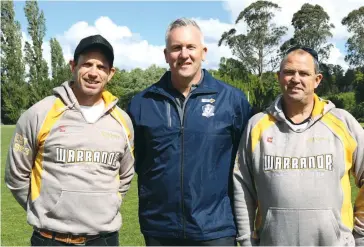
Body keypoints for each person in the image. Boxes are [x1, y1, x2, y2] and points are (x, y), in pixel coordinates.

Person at [127, 18, 252, 246]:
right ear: (166, 55)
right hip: (160, 230)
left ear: (203, 52)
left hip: (216, 230)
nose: (184, 54)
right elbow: (138, 161)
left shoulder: (232, 101)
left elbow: (245, 162)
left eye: (190, 47)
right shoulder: (142, 103)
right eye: (176, 48)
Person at [5, 34, 135, 246]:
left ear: (111, 73)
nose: (94, 73)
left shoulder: (122, 121)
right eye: (87, 64)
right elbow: (16, 176)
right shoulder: (40, 113)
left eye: (101, 67)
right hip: (51, 240)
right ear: (73, 66)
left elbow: (126, 174)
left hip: (104, 240)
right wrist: (45, 208)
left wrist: (109, 204)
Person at [233, 46, 364, 246]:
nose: (295, 79)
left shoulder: (343, 123)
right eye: (288, 72)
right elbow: (242, 186)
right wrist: (246, 239)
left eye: (304, 73)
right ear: (278, 76)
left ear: (317, 80)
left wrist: (360, 235)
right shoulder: (257, 125)